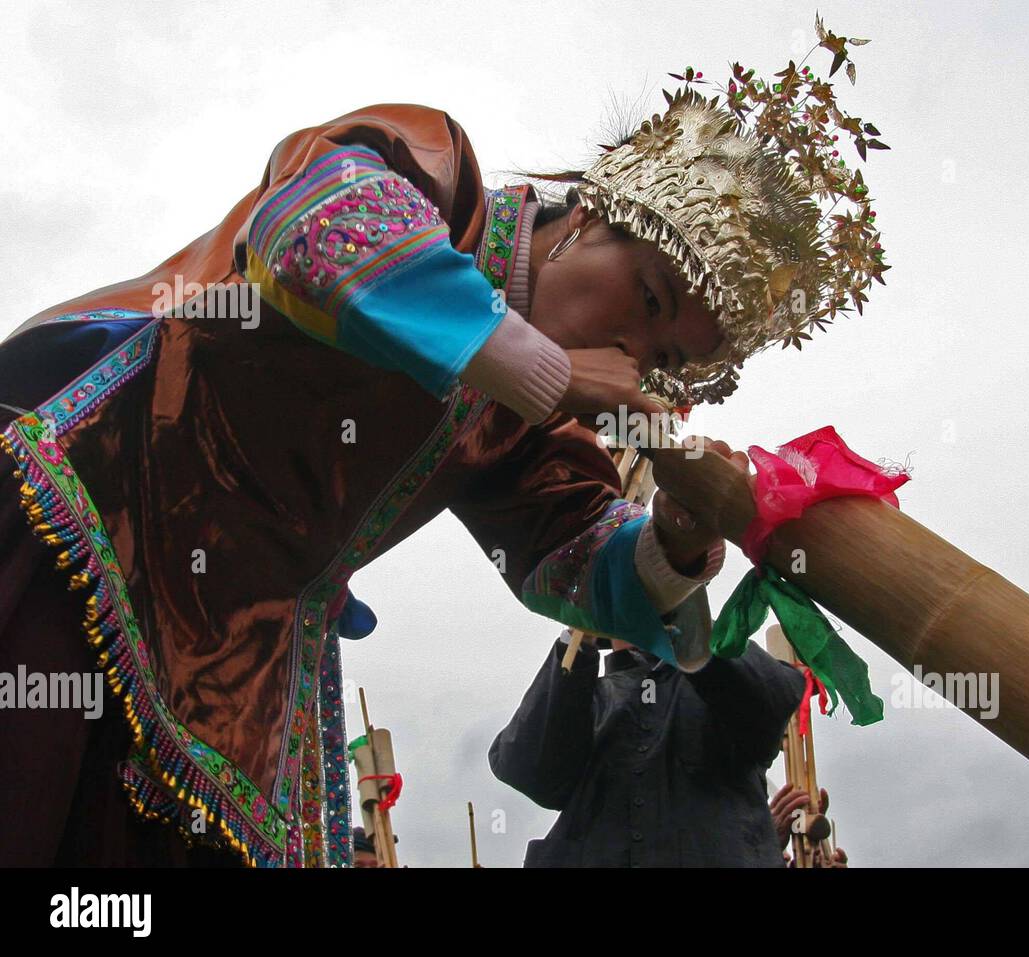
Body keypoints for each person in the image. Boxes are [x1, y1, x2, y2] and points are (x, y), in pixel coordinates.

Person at [0, 33, 886, 867]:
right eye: (648, 299)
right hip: (99, 497)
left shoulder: (539, 429)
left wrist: (678, 542)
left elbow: (574, 559)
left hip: (242, 654)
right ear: (590, 218)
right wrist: (543, 370)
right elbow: (312, 229)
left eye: (664, 360)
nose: (633, 357)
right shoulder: (437, 177)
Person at [489, 627, 804, 867]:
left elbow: (773, 701)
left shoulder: (722, 679)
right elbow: (531, 773)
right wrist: (577, 634)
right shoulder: (584, 700)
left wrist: (680, 615)